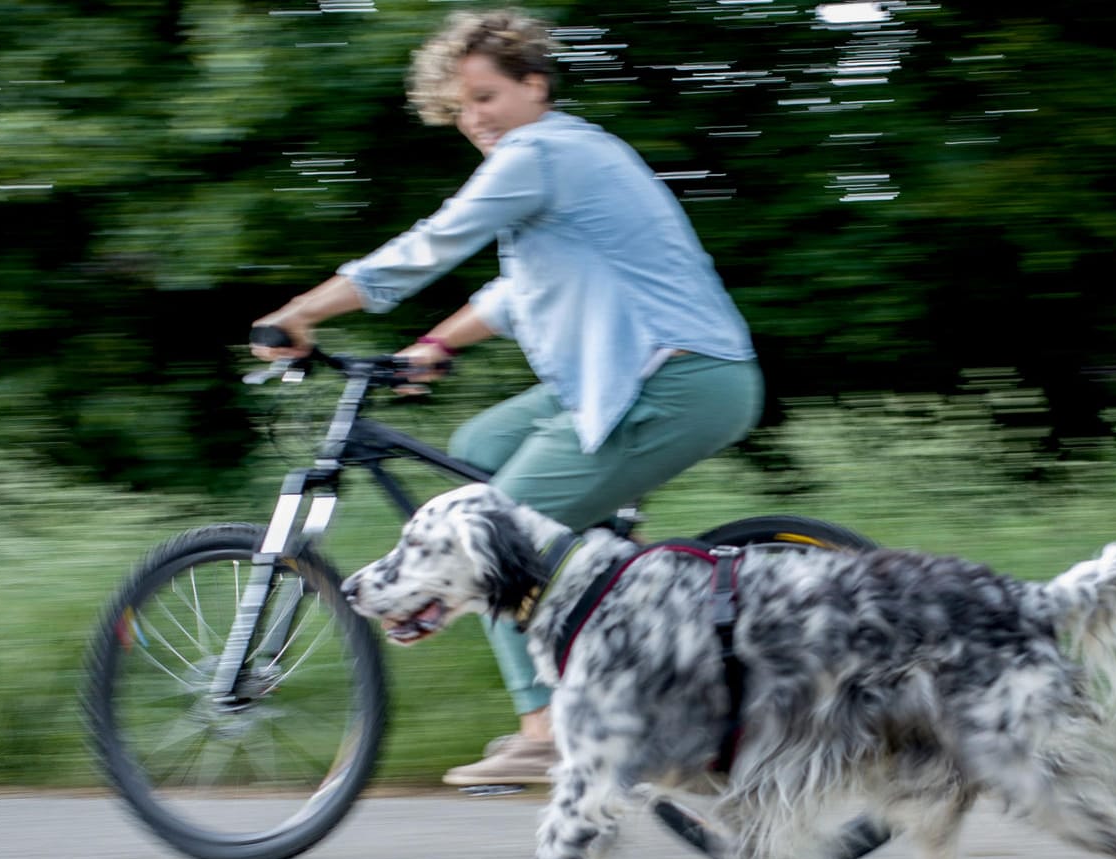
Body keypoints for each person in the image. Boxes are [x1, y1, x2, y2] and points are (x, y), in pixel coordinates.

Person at [252, 9, 762, 786]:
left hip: (676, 383)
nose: (474, 120)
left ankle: (548, 726)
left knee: (492, 534)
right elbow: (516, 292)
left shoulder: (541, 153)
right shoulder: (570, 158)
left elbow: (428, 247)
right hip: (637, 383)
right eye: (459, 108)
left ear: (535, 85)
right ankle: (617, 637)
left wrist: (301, 313)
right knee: (481, 453)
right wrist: (436, 344)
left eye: (487, 97)